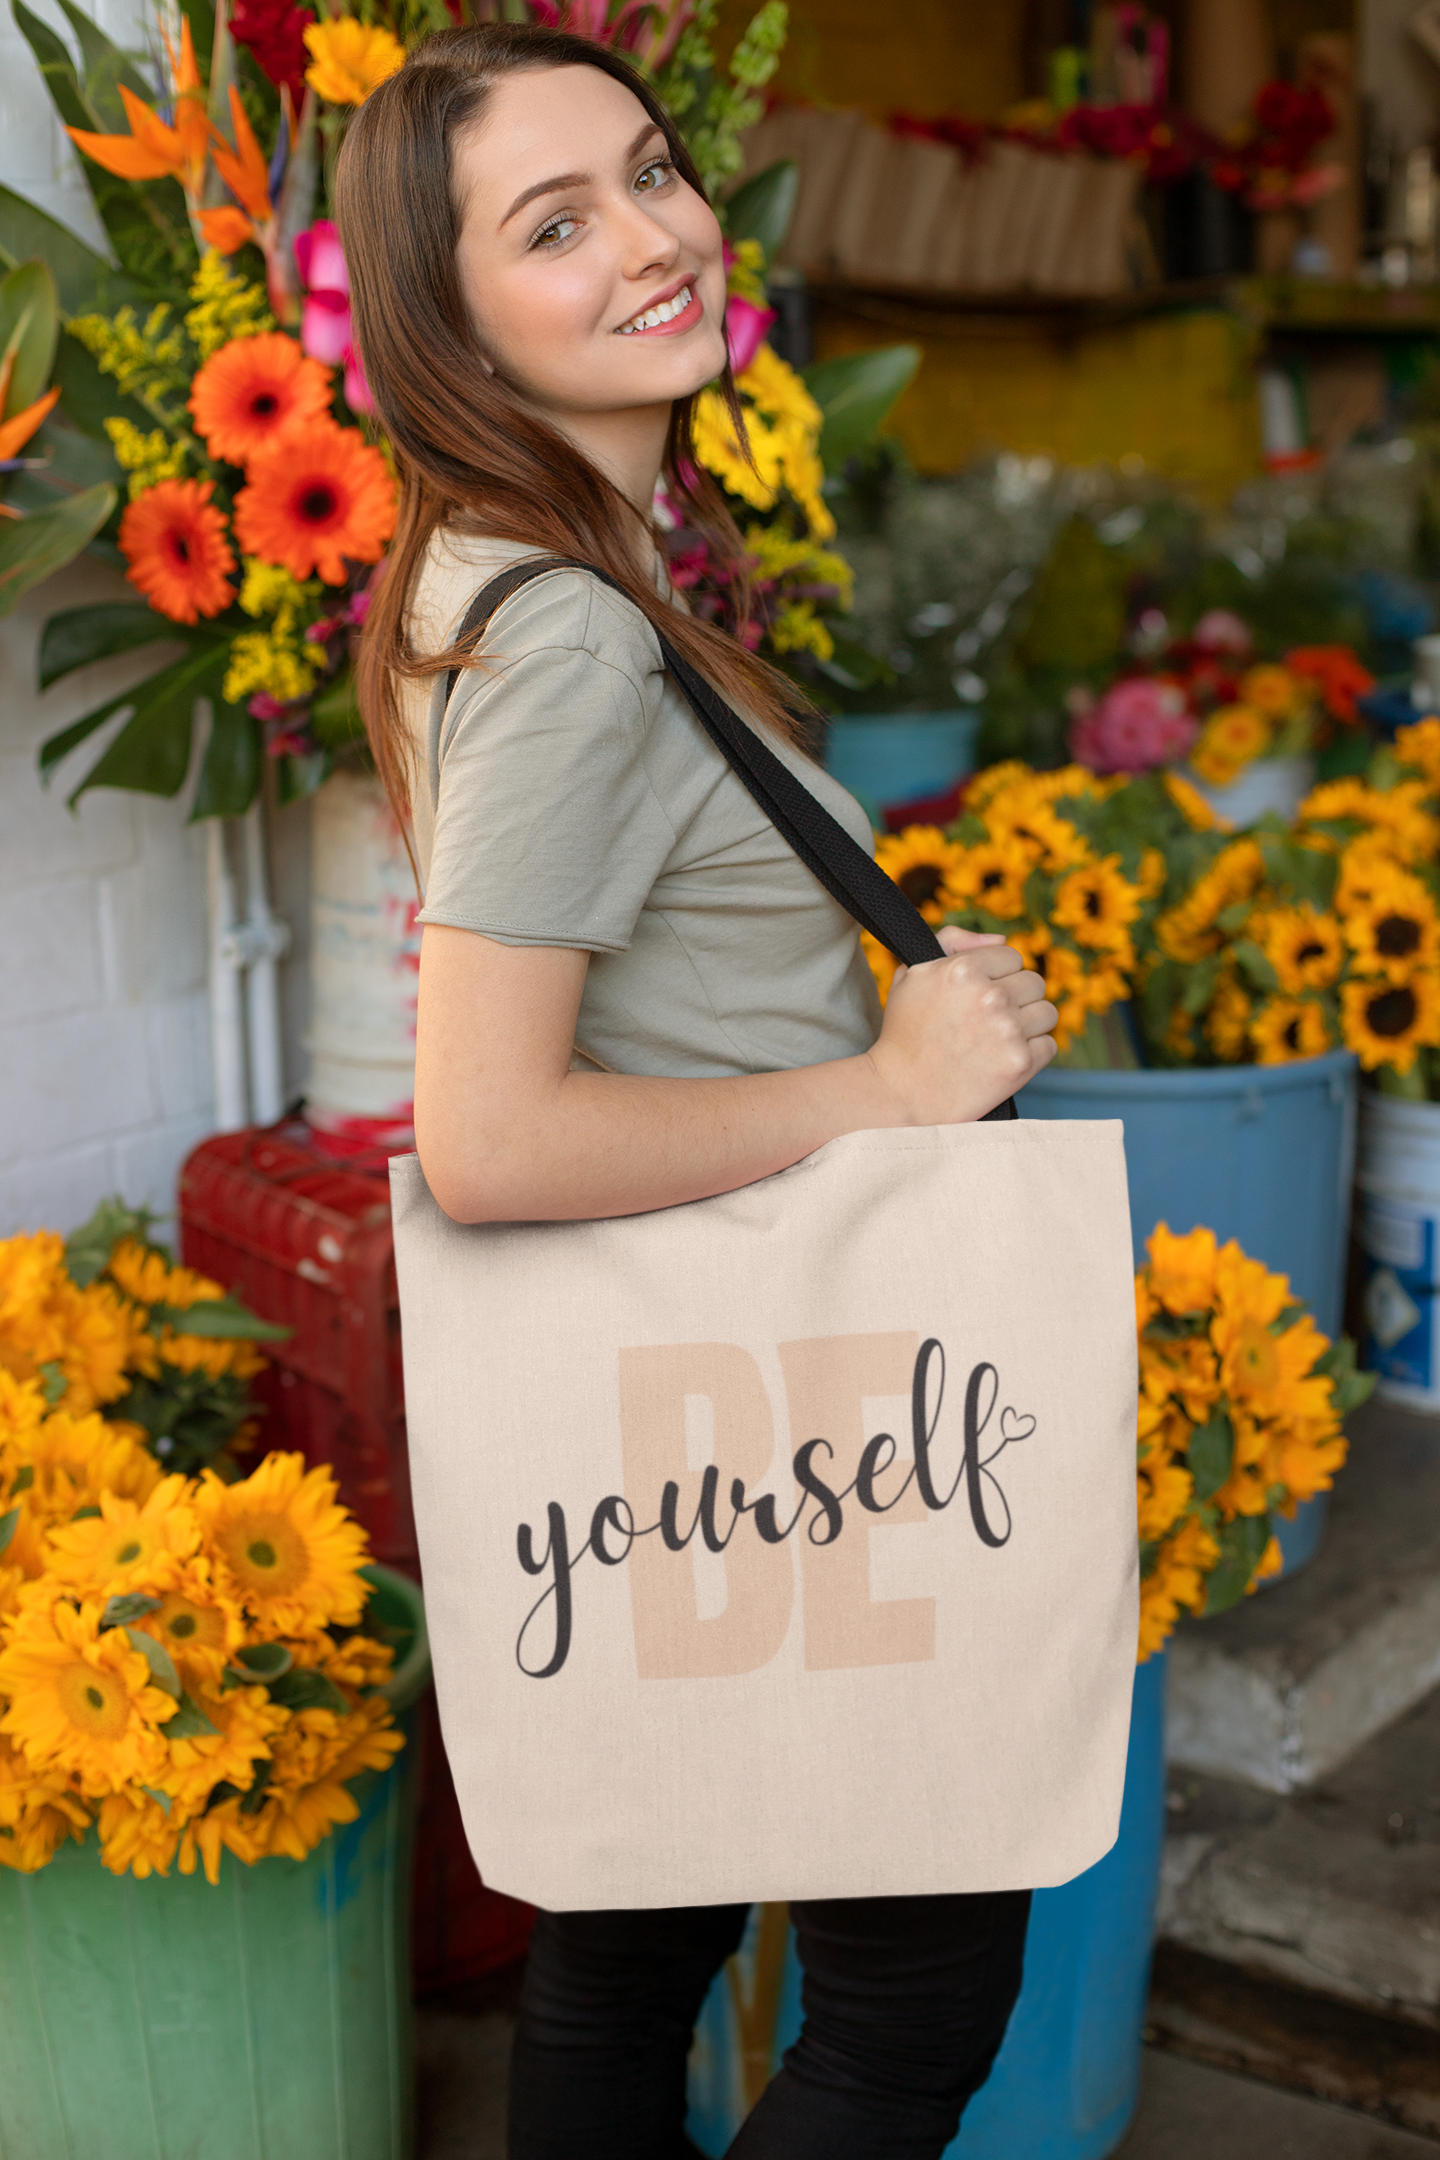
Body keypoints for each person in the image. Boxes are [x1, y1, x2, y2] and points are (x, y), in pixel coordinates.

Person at [336, 25, 1058, 2158]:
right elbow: (488, 1135)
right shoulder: (562, 632)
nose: (656, 236)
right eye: (555, 223)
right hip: (767, 1413)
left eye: (652, 173)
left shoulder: (518, 578)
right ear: (448, 317)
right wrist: (891, 1084)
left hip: (680, 1408)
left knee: (631, 1956)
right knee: (917, 1997)